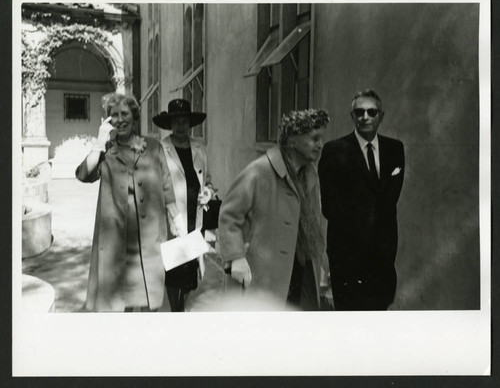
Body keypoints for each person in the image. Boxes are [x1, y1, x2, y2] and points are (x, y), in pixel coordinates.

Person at [76, 93, 186, 312]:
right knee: (119, 298)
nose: (120, 119)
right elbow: (83, 175)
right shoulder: (105, 151)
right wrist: (99, 142)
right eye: (114, 115)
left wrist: (177, 219)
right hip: (117, 234)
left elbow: (166, 186)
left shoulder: (153, 147)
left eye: (125, 113)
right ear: (108, 121)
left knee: (148, 294)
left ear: (134, 117)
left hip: (148, 233)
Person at [218, 109, 330, 311]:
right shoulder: (259, 171)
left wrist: (321, 263)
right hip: (263, 275)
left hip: (299, 270)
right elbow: (229, 216)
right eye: (314, 139)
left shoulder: (310, 175)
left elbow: (313, 224)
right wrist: (235, 258)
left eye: (321, 138)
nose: (320, 145)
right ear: (293, 140)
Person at [318, 89, 405, 311]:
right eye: (359, 112)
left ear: (381, 116)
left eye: (371, 112)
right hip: (348, 256)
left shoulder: (395, 149)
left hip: (383, 256)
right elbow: (330, 207)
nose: (365, 117)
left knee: (378, 320)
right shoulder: (334, 150)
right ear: (352, 116)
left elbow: (389, 200)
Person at [153, 98, 213, 312]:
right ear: (170, 124)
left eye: (184, 121)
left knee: (190, 269)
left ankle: (182, 310)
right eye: (176, 121)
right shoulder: (161, 148)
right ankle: (174, 310)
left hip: (194, 217)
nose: (180, 126)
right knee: (173, 268)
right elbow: (156, 184)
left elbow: (208, 180)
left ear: (190, 123)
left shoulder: (199, 148)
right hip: (173, 215)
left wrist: (208, 191)